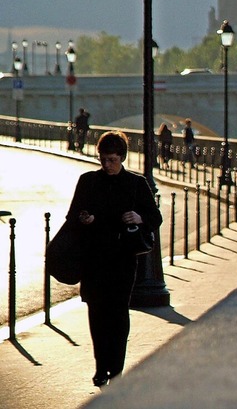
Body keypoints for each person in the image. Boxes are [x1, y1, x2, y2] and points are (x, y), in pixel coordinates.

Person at [65, 130, 162, 387]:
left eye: (112, 160)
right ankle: (100, 367)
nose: (107, 165)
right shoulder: (88, 181)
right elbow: (72, 216)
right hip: (94, 259)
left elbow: (155, 218)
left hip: (122, 259)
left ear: (122, 158)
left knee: (118, 314)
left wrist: (139, 218)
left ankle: (116, 370)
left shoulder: (136, 184)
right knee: (97, 314)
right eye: (103, 159)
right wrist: (84, 218)